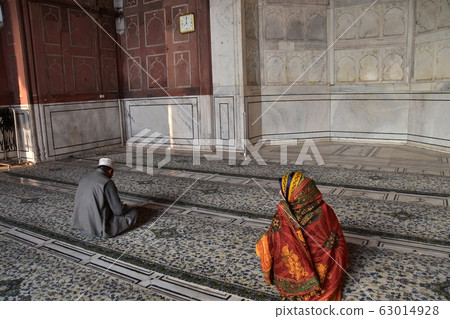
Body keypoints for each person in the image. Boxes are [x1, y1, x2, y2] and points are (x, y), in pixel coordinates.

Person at [256, 172, 348, 301]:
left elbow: (275, 242)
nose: (279, 193)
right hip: (331, 268)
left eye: (282, 190)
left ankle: (305, 285)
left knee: (265, 242)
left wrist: (264, 242)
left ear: (295, 194)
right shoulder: (325, 208)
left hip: (304, 271)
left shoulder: (286, 216)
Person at [73, 158, 138, 238]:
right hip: (98, 229)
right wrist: (127, 207)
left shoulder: (84, 179)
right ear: (110, 171)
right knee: (133, 213)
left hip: (82, 227)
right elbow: (118, 211)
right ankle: (107, 231)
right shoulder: (107, 182)